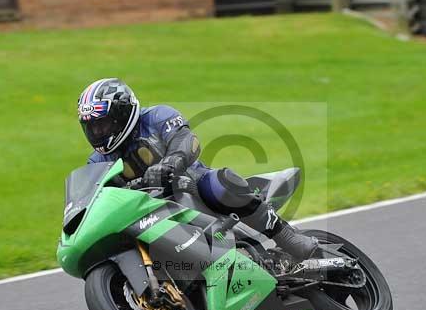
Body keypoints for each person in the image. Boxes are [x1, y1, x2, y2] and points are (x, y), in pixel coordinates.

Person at [78, 77, 318, 260]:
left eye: (103, 124)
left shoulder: (156, 117)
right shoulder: (97, 162)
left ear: (122, 114)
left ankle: (286, 236)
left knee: (219, 183)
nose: (98, 133)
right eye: (91, 127)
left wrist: (170, 163)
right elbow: (94, 198)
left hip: (188, 184)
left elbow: (187, 141)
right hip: (145, 213)